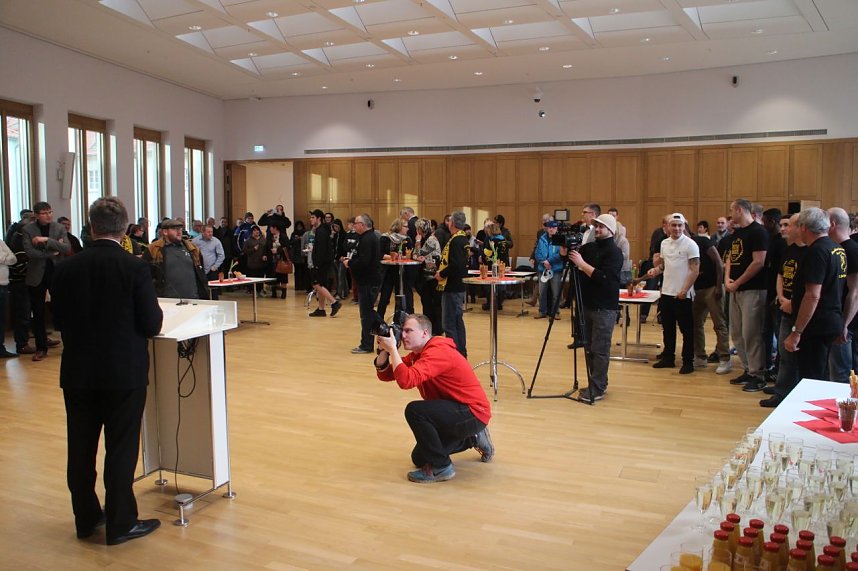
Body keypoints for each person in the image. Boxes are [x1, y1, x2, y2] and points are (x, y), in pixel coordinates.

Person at [50, 197, 163, 545]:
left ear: (91, 226)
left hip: (79, 371)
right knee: (121, 448)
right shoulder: (134, 267)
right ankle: (121, 523)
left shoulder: (66, 268)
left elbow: (58, 321)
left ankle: (85, 519)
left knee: (80, 448)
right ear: (126, 229)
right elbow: (151, 323)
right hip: (123, 372)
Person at [374, 313, 493, 483]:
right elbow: (387, 376)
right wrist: (384, 352)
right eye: (403, 331)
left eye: (409, 331)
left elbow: (406, 380)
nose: (403, 335)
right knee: (419, 458)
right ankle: (473, 438)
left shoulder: (438, 351)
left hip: (472, 412)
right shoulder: (419, 353)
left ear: (424, 333)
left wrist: (393, 349)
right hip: (454, 410)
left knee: (415, 411)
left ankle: (442, 468)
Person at [783, 208, 847, 384]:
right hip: (831, 319)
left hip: (816, 325)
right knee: (821, 374)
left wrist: (797, 332)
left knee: (811, 378)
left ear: (804, 228)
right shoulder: (837, 248)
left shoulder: (816, 252)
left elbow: (812, 295)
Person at [567, 214, 623, 401]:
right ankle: (596, 383)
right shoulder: (590, 247)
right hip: (587, 304)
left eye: (602, 227)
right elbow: (573, 262)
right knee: (590, 347)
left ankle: (598, 387)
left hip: (604, 307)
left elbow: (605, 278)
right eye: (596, 226)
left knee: (600, 349)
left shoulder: (615, 253)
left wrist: (582, 264)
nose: (598, 230)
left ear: (611, 230)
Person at [760, 214, 805, 407]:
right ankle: (782, 389)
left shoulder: (810, 252)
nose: (783, 229)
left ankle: (789, 392)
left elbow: (808, 287)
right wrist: (781, 297)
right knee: (783, 352)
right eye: (783, 225)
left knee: (792, 354)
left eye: (788, 225)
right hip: (783, 304)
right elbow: (780, 275)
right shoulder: (788, 250)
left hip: (798, 309)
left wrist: (791, 302)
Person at [725, 198, 770, 391]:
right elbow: (730, 258)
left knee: (751, 333)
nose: (730, 215)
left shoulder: (758, 232)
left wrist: (738, 282)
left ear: (740, 210)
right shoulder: (738, 233)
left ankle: (757, 374)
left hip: (753, 289)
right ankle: (747, 369)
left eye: (732, 211)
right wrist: (727, 279)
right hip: (735, 289)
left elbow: (758, 262)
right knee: (736, 332)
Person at [647, 214, 700, 374]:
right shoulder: (664, 243)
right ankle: (668, 358)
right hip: (667, 293)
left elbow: (694, 269)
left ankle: (688, 361)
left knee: (686, 330)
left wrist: (684, 290)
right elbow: (664, 265)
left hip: (682, 295)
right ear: (668, 227)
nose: (676, 228)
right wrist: (655, 270)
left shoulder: (691, 245)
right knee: (667, 328)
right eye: (673, 225)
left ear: (684, 227)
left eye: (680, 225)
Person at [23, 201, 70, 361]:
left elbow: (66, 248)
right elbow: (29, 252)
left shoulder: (59, 228)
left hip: (56, 272)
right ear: (37, 215)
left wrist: (46, 240)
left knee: (62, 309)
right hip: (37, 274)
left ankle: (69, 345)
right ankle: (41, 347)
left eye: (50, 212)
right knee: (38, 312)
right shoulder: (28, 229)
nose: (49, 215)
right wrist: (52, 251)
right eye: (45, 213)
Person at [690, 227, 731, 374]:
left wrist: (719, 286)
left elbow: (719, 263)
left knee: (719, 324)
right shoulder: (680, 246)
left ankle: (725, 358)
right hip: (695, 290)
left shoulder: (701, 241)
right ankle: (700, 356)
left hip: (712, 288)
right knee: (696, 324)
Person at [827, 207, 858, 382]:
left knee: (841, 373)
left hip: (848, 322)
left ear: (832, 224)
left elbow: (855, 292)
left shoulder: (851, 250)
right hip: (837, 318)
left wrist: (844, 324)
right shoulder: (835, 249)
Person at [343, 214, 381, 354]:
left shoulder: (367, 239)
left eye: (356, 223)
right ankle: (383, 331)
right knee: (368, 312)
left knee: (366, 314)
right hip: (369, 280)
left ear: (363, 225)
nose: (354, 225)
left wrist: (350, 263)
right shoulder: (369, 237)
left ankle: (367, 343)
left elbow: (364, 261)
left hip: (368, 281)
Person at [142, 219, 206, 300]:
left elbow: (201, 274)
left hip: (193, 298)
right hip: (167, 300)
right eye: (175, 229)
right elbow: (145, 277)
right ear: (165, 232)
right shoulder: (154, 250)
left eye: (180, 229)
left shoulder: (193, 248)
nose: (179, 232)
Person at [435, 211, 469, 358]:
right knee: (457, 321)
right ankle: (460, 352)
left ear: (452, 223)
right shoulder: (462, 239)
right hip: (458, 285)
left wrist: (441, 274)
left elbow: (456, 265)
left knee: (449, 323)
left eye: (449, 221)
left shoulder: (456, 240)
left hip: (453, 286)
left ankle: (453, 355)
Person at [307, 209, 340, 317]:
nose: (311, 219)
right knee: (321, 285)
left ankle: (334, 302)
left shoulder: (321, 231)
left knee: (317, 284)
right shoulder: (322, 230)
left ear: (318, 219)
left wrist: (317, 264)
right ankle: (321, 309)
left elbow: (321, 250)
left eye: (313, 217)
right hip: (324, 262)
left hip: (321, 263)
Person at [533, 220, 563, 319]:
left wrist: (549, 261)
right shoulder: (541, 238)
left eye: (554, 227)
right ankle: (542, 311)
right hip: (543, 269)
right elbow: (537, 253)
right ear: (547, 228)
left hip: (556, 269)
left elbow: (561, 254)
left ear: (557, 229)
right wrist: (544, 262)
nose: (551, 229)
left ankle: (556, 312)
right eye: (550, 227)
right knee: (542, 293)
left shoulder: (560, 239)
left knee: (556, 293)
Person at [192, 224, 225, 299]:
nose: (210, 234)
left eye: (211, 232)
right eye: (208, 232)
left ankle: (216, 308)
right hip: (200, 270)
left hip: (212, 270)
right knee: (202, 291)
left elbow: (221, 255)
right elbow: (192, 254)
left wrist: (215, 266)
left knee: (214, 292)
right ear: (202, 232)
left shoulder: (216, 241)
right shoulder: (195, 241)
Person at [0, 235, 18, 357]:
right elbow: (6, 257)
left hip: (4, 283)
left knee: (2, 318)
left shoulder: (0, 242)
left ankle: (0, 347)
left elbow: (14, 258)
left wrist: (3, 258)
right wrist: (5, 257)